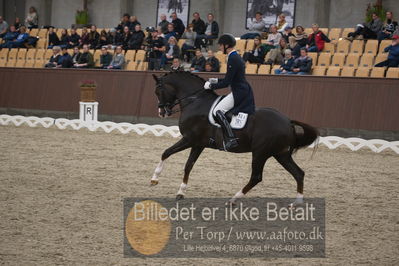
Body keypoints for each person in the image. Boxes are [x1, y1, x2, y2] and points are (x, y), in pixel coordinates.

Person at [203, 34, 256, 151]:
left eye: (221, 45)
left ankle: (231, 139)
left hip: (239, 92)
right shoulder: (234, 56)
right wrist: (215, 80)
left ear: (226, 45)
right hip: (241, 89)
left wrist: (211, 86)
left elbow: (227, 82)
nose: (220, 48)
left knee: (217, 111)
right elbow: (230, 78)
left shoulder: (233, 58)